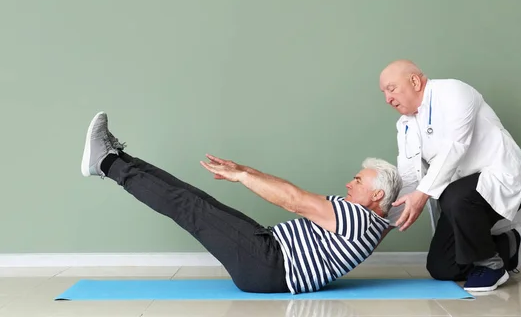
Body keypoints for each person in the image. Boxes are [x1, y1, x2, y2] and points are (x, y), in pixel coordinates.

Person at [80, 111, 402, 295]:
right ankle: (114, 156)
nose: (350, 182)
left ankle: (107, 164)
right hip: (268, 248)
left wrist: (241, 177)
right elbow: (294, 193)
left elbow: (293, 201)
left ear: (377, 195)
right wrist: (245, 171)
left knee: (187, 205)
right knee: (193, 199)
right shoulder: (369, 219)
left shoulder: (356, 219)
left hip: (269, 265)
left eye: (358, 181)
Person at [379, 60, 521, 292]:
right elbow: (409, 181)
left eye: (391, 88)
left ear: (415, 81)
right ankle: (507, 244)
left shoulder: (454, 92)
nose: (387, 98)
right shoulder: (405, 126)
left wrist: (421, 196)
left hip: (500, 180)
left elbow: (455, 147)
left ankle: (491, 265)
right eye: (384, 93)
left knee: (452, 194)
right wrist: (379, 224)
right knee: (442, 269)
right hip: (460, 201)